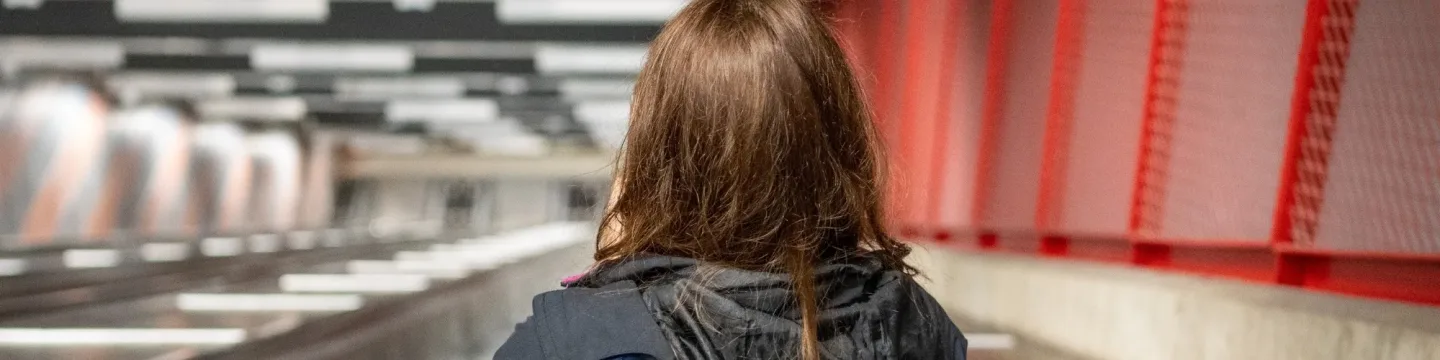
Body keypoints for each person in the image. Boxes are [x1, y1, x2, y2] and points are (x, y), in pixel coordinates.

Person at [494, 0, 968, 358]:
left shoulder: (565, 338)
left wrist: (612, 277)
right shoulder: (916, 325)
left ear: (656, 158)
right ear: (837, 149)